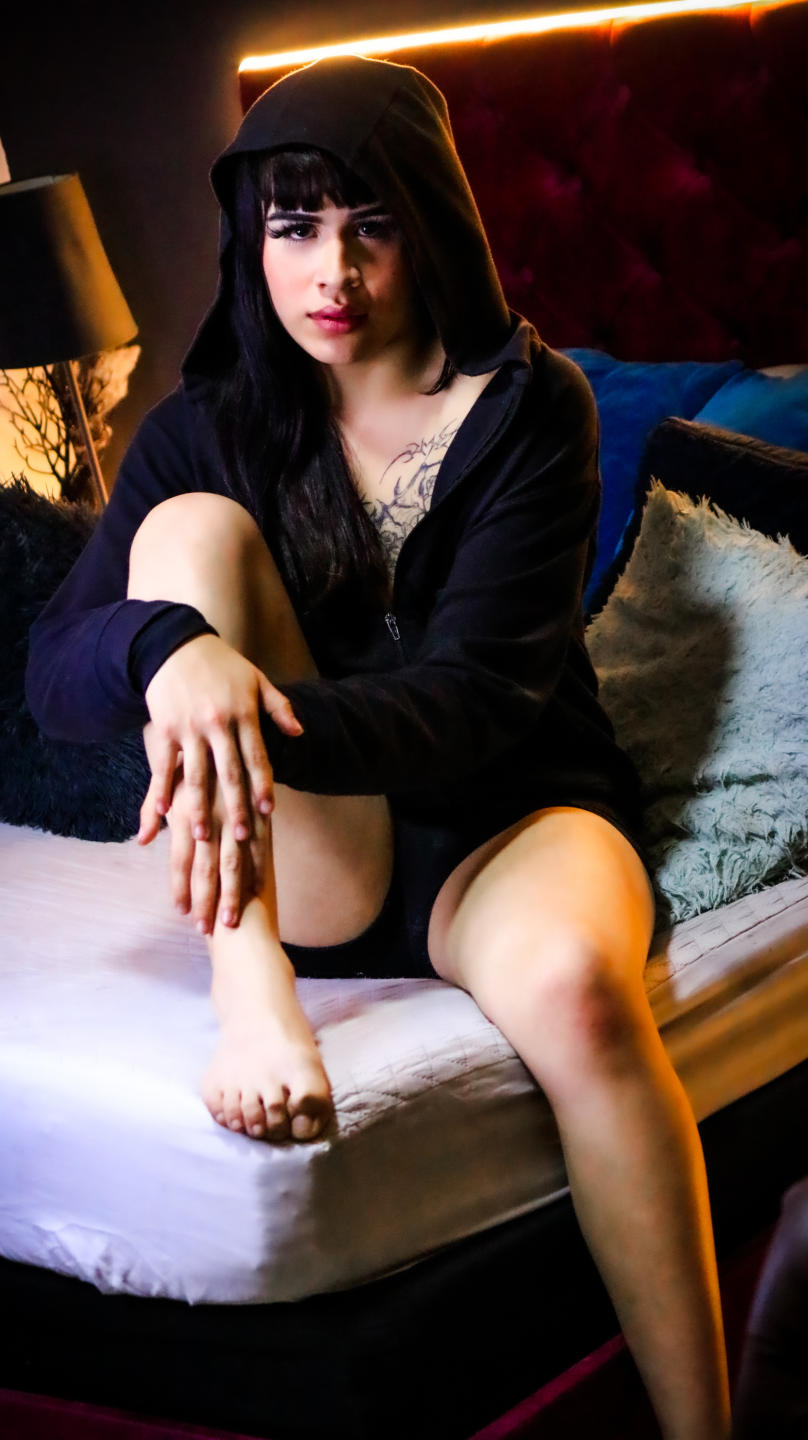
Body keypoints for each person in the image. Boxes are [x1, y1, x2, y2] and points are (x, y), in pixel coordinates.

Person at [26, 55, 730, 1439]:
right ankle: (254, 997)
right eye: (294, 229)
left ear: (432, 225)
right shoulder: (212, 422)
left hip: (506, 816)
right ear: (253, 239)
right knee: (183, 548)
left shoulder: (534, 407)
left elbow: (479, 696)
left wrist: (243, 707)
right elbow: (56, 669)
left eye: (370, 226)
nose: (331, 271)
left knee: (584, 997)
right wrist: (172, 655)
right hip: (314, 857)